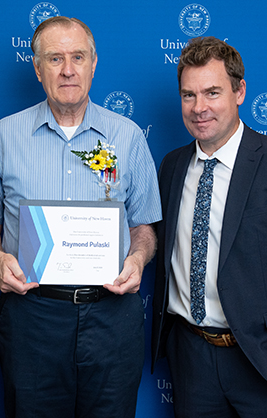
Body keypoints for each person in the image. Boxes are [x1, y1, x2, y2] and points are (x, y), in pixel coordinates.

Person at [0, 16, 161, 418]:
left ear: (93, 63)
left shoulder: (128, 137)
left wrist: (138, 259)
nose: (68, 69)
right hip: (32, 318)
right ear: (38, 69)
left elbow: (143, 227)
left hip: (112, 317)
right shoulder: (5, 135)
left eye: (78, 57)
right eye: (54, 58)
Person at [152, 36, 267, 417]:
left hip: (257, 358)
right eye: (189, 95)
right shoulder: (171, 167)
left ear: (240, 92)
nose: (199, 108)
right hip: (191, 357)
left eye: (212, 92)